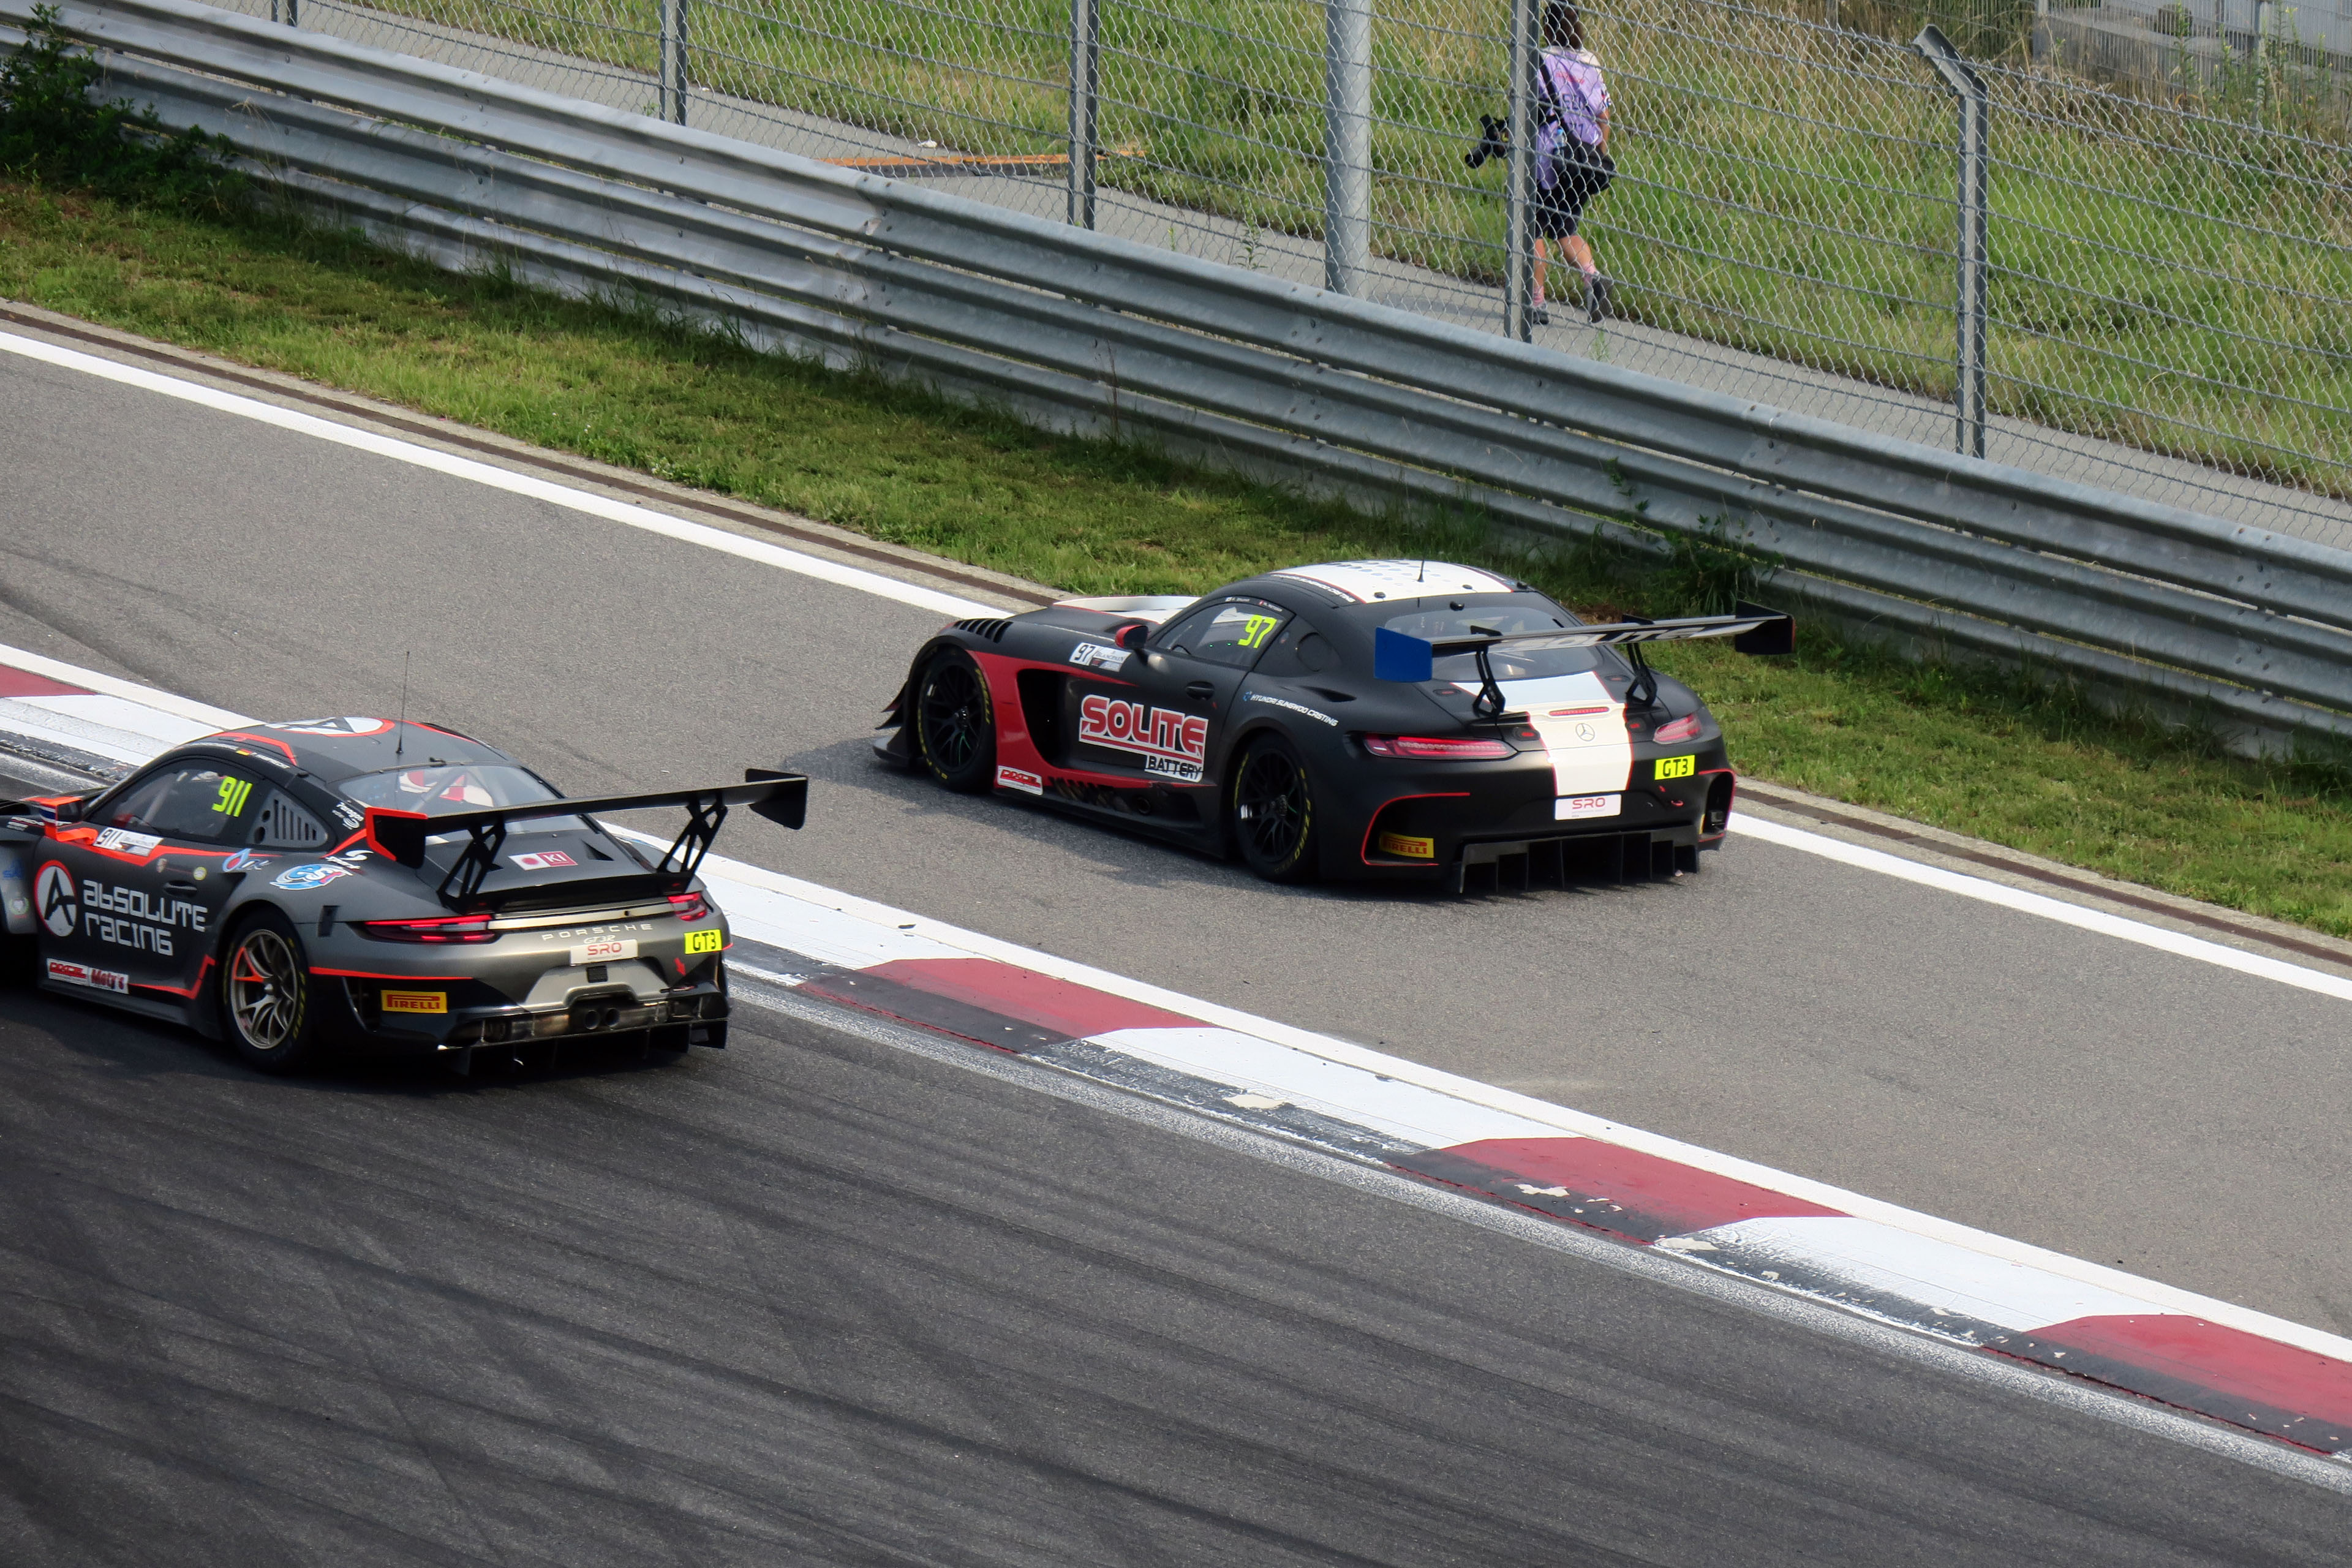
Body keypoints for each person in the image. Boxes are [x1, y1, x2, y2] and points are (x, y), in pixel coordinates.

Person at [1529, 2, 1613, 325]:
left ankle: (1536, 303)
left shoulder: (1541, 59)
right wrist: (1599, 155)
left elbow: (1526, 106)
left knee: (1533, 228)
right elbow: (1604, 115)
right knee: (1566, 229)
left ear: (1546, 27)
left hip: (1548, 159)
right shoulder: (1590, 62)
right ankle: (1593, 278)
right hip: (1582, 159)